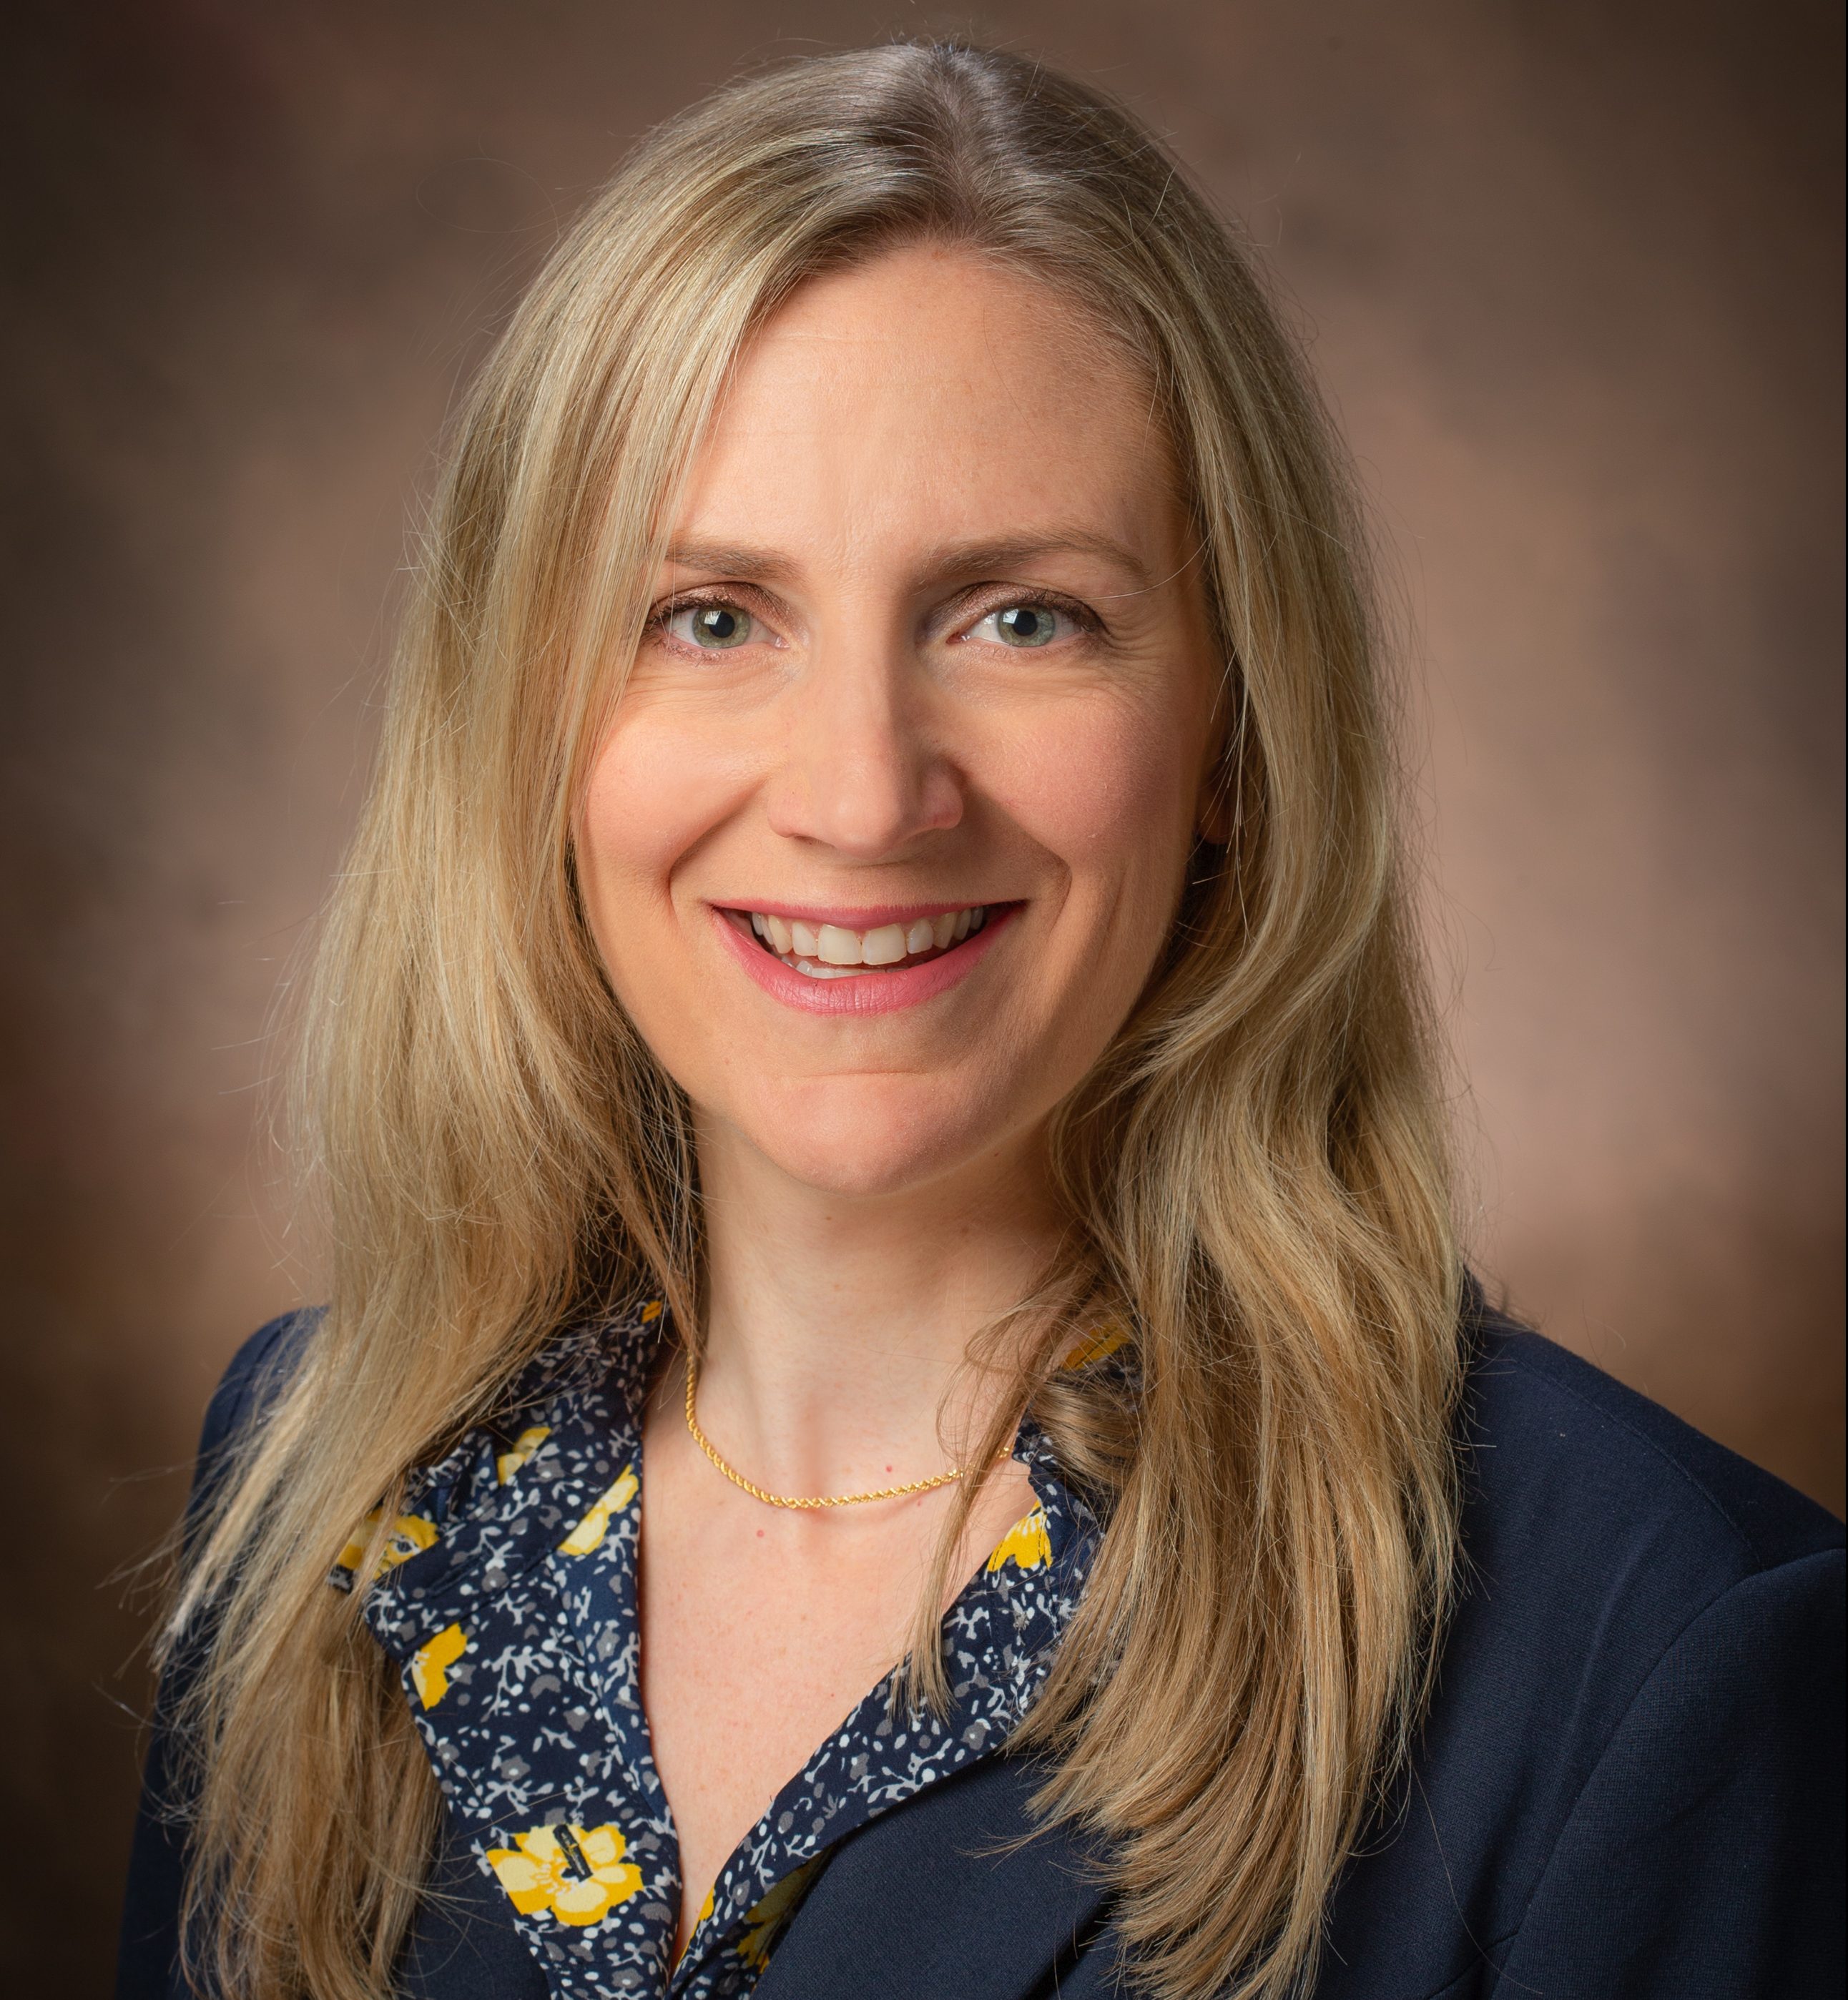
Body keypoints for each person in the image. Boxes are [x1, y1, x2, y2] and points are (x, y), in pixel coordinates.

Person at [115, 41, 1843, 2000]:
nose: (864, 794)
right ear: (527, 724)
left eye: (1021, 616)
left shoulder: (1658, 1642)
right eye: (709, 616)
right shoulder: (327, 1486)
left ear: (1232, 742)